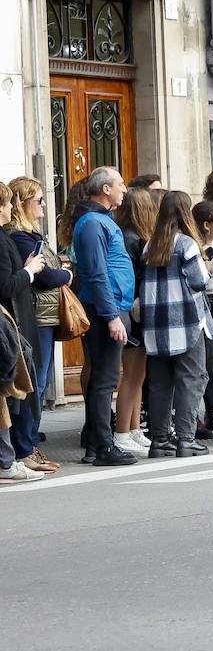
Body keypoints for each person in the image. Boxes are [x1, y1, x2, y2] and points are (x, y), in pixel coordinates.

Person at [71, 166, 137, 466]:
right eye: (120, 184)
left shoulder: (100, 220)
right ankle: (103, 446)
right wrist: (112, 316)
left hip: (109, 307)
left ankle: (97, 446)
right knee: (105, 378)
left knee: (103, 377)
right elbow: (97, 274)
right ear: (106, 190)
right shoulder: (93, 223)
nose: (125, 188)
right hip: (104, 310)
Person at [141, 191, 213, 458]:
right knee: (191, 378)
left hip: (155, 324)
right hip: (185, 321)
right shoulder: (186, 244)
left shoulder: (150, 245)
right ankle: (186, 438)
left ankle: (159, 440)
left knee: (160, 382)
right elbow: (199, 282)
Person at [7, 176, 72, 470]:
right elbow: (45, 276)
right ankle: (25, 446)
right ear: (22, 204)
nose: (44, 204)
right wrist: (67, 275)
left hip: (41, 314)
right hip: (33, 315)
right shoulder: (18, 237)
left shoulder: (28, 234)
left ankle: (28, 443)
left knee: (38, 381)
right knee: (34, 382)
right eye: (38, 200)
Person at [0, 179, 50, 475]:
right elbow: (5, 283)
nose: (9, 209)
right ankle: (14, 455)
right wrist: (29, 272)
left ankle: (16, 454)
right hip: (9, 322)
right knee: (17, 389)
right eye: (6, 204)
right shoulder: (6, 237)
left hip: (15, 320)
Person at [111, 186, 156, 455]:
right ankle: (122, 432)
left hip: (137, 309)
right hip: (133, 309)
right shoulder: (130, 238)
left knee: (138, 374)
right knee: (131, 374)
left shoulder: (135, 236)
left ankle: (135, 428)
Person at [192, 200, 213, 438]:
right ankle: (194, 418)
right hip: (203, 304)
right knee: (200, 365)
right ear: (206, 225)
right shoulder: (192, 244)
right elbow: (200, 276)